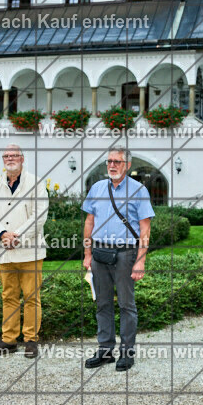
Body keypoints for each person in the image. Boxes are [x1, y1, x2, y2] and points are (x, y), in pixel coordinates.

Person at [82, 148, 154, 372]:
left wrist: (140, 261)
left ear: (128, 165)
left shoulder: (139, 191)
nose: (112, 165)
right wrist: (87, 254)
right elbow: (88, 223)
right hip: (99, 254)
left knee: (126, 305)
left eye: (118, 162)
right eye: (109, 161)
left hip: (126, 254)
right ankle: (105, 351)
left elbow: (145, 229)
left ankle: (127, 353)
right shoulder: (97, 188)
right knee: (102, 304)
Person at [0, 144, 49, 358]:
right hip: (5, 250)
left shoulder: (36, 183)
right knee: (8, 296)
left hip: (29, 250)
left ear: (22, 158)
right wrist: (2, 234)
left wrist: (17, 236)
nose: (10, 158)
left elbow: (40, 215)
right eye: (6, 156)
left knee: (31, 296)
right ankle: (8, 340)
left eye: (14, 155)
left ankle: (31, 340)